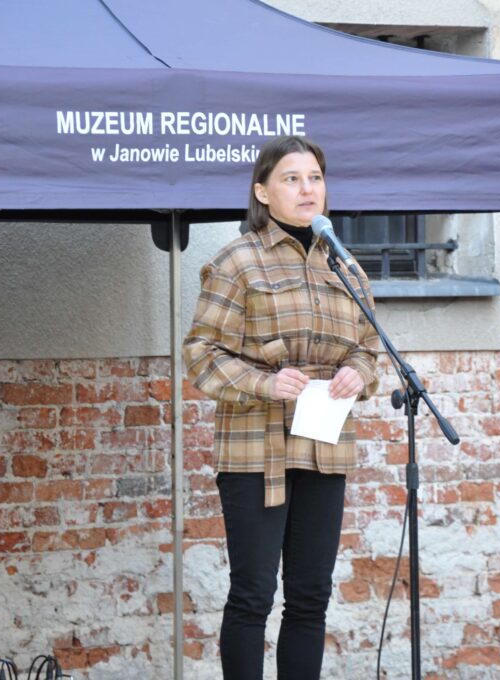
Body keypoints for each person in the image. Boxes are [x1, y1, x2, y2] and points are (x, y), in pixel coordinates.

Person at [183, 135, 380, 679]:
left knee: (311, 597)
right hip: (256, 453)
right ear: (262, 193)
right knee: (253, 595)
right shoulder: (237, 262)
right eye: (292, 178)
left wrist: (357, 373)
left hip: (323, 448)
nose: (307, 188)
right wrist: (264, 384)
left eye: (315, 177)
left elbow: (368, 349)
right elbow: (200, 353)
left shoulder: (346, 267)